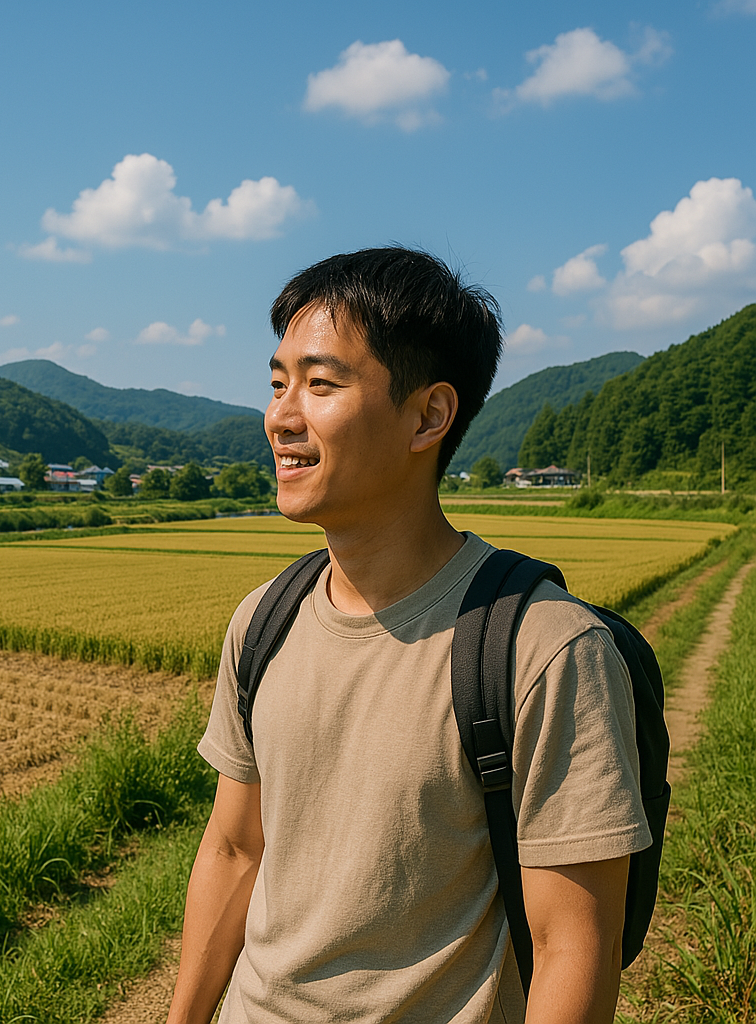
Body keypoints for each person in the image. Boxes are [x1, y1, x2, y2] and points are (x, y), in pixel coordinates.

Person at [166, 247, 651, 1024]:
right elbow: (234, 851)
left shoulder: (544, 649)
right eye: (277, 382)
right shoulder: (264, 620)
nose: (281, 416)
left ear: (429, 416)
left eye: (321, 384)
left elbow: (572, 945)